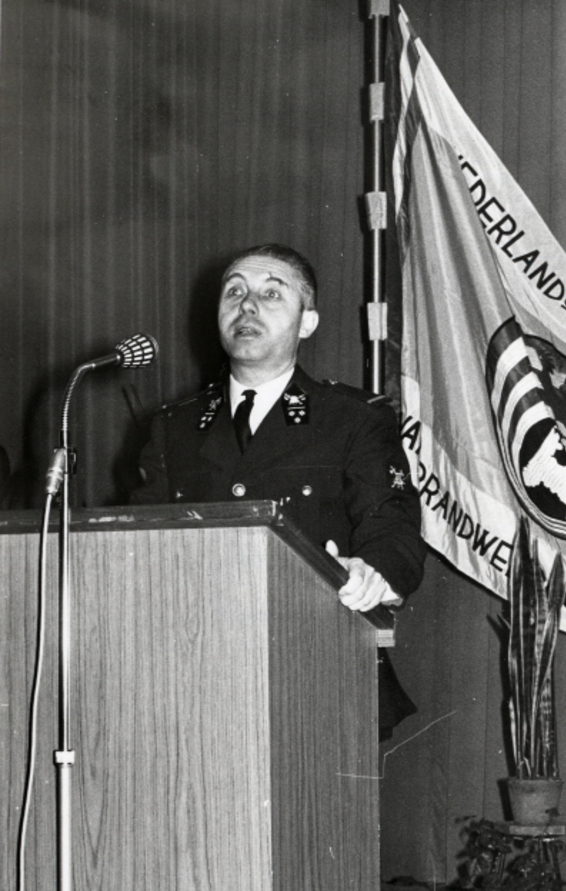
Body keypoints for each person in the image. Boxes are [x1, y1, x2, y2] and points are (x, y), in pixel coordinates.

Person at [132, 243, 427, 734]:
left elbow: (393, 528)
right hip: (193, 676)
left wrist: (373, 573)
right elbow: (137, 546)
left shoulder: (353, 418)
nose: (247, 306)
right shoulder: (173, 427)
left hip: (321, 674)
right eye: (234, 293)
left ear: (307, 323)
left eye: (271, 294)